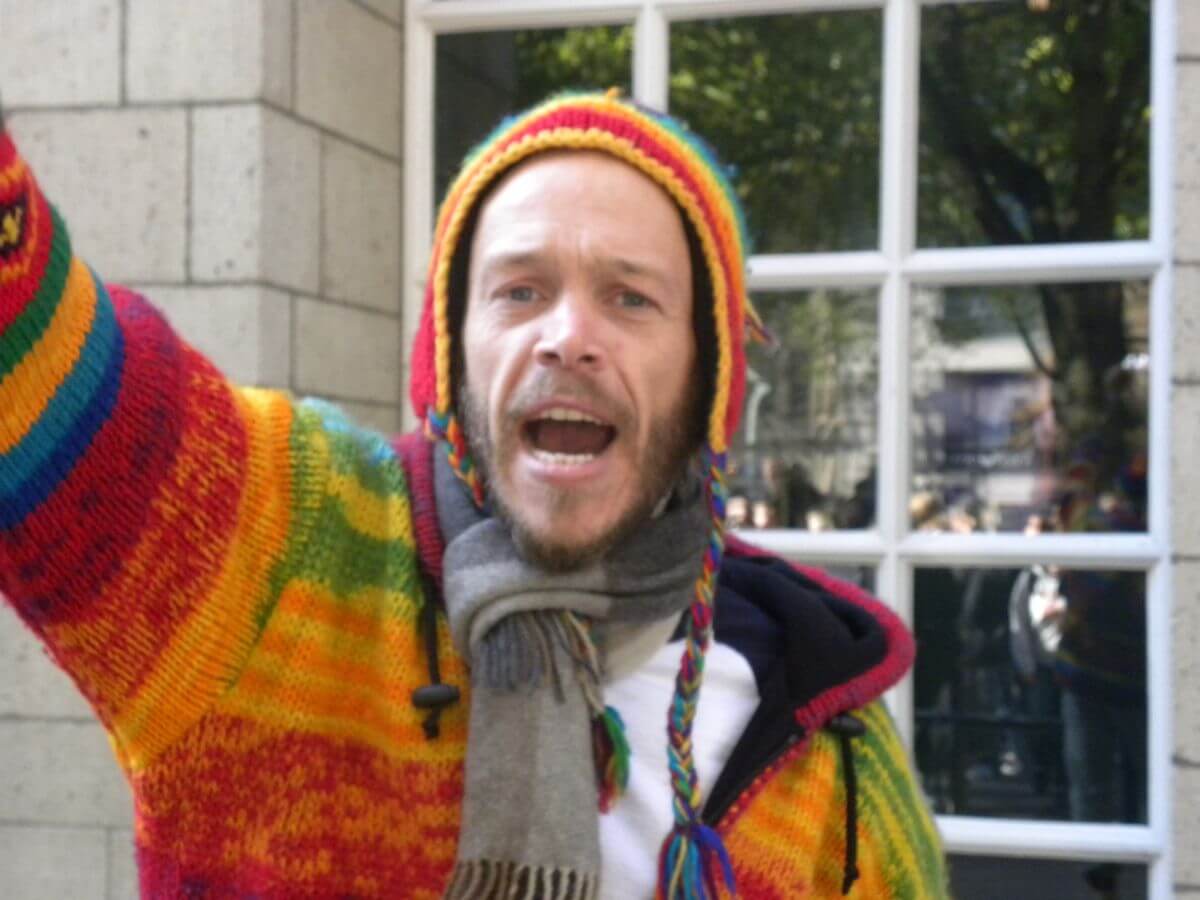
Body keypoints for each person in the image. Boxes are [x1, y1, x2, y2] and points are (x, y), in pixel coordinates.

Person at [0, 92, 947, 898]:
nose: (567, 337)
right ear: (451, 357)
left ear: (711, 378)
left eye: (631, 298)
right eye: (520, 291)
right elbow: (28, 349)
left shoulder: (832, 749)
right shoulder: (277, 551)